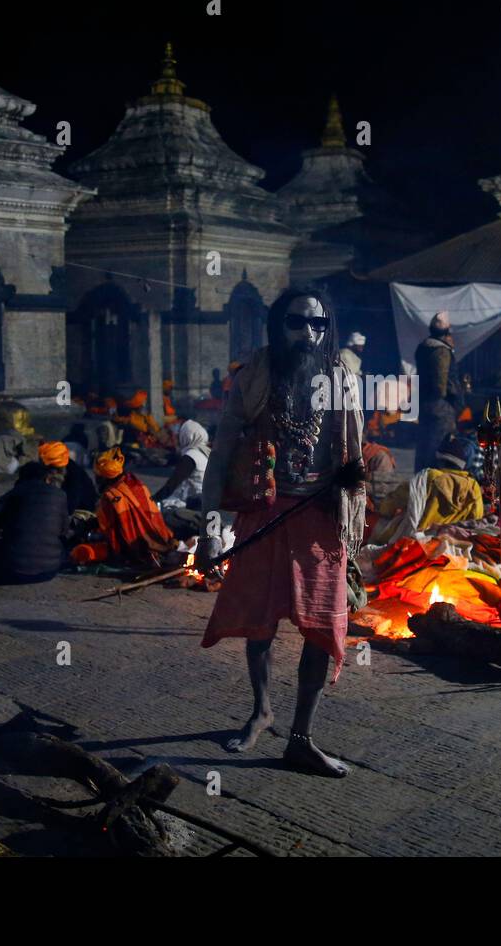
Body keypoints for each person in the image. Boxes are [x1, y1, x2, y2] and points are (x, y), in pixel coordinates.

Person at [199, 286, 366, 778]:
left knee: (318, 627)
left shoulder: (340, 376)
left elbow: (353, 452)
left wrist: (349, 513)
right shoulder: (255, 372)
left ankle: (301, 738)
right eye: (297, 323)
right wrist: (213, 526)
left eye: (318, 324)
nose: (308, 334)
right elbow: (224, 446)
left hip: (318, 520)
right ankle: (261, 711)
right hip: (263, 513)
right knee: (260, 622)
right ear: (279, 324)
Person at [370, 433, 484, 545]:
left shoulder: (427, 478)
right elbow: (477, 518)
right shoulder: (474, 486)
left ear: (439, 459)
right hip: (456, 541)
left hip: (420, 541)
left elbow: (391, 503)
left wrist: (385, 510)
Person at [0, 460, 69, 584]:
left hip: (13, 571)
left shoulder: (13, 494)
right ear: (46, 478)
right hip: (48, 572)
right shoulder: (60, 495)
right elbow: (64, 530)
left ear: (21, 478)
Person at [91, 446, 175, 566]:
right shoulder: (138, 485)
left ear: (102, 477)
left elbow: (110, 532)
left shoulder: (109, 497)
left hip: (132, 548)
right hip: (161, 537)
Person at [414, 311, 460, 469]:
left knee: (423, 447)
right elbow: (440, 385)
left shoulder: (422, 347)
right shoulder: (441, 351)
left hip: (423, 403)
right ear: (447, 331)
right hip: (440, 407)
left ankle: (419, 483)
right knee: (438, 449)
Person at [154, 420, 210, 537]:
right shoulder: (205, 453)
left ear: (187, 436)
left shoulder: (191, 456)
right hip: (206, 503)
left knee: (162, 519)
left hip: (192, 504)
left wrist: (151, 500)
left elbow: (171, 484)